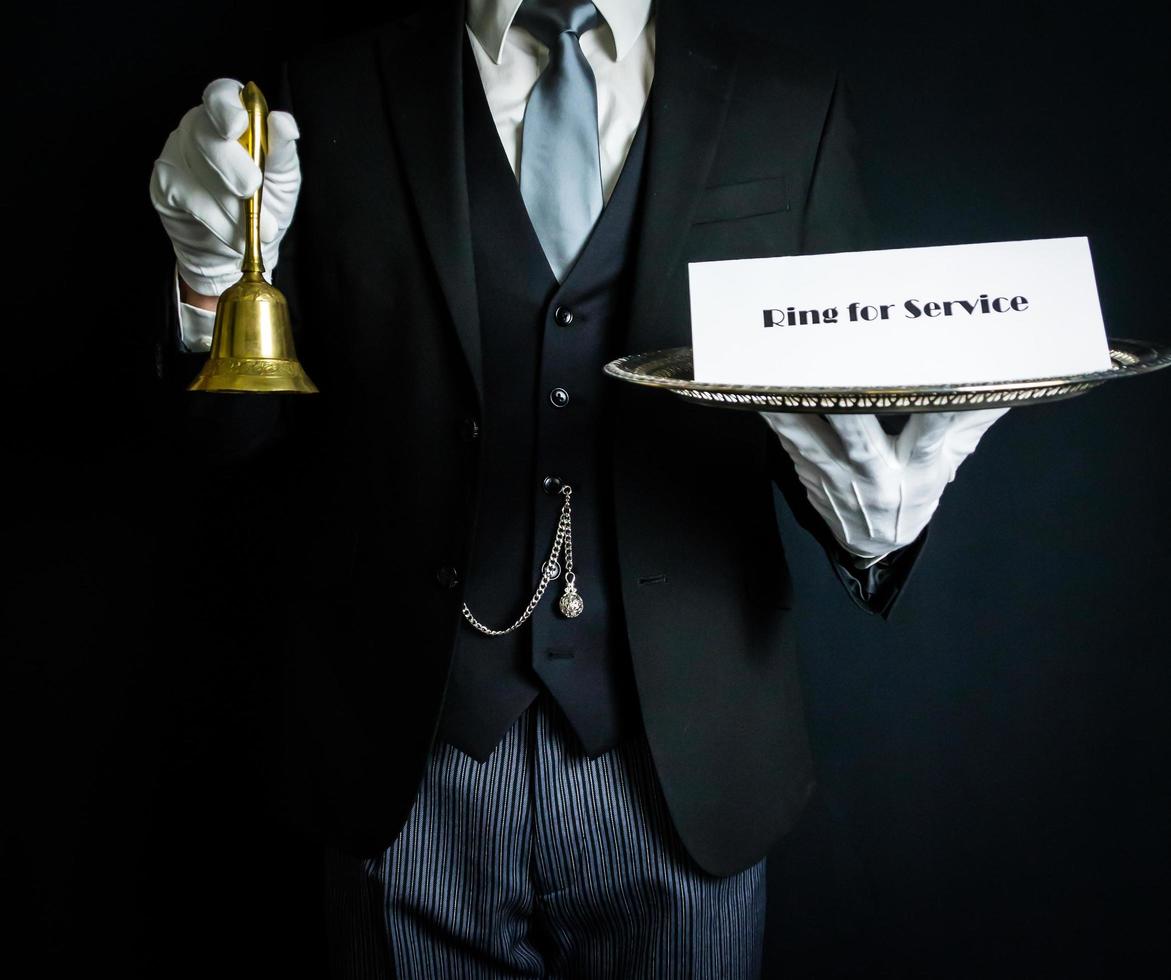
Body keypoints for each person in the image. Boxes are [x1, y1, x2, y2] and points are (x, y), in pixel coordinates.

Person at [149, 0, 1008, 975]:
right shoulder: (320, 93)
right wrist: (207, 284)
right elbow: (233, 446)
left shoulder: (786, 106)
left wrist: (873, 534)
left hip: (686, 773)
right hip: (404, 762)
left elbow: (843, 418)